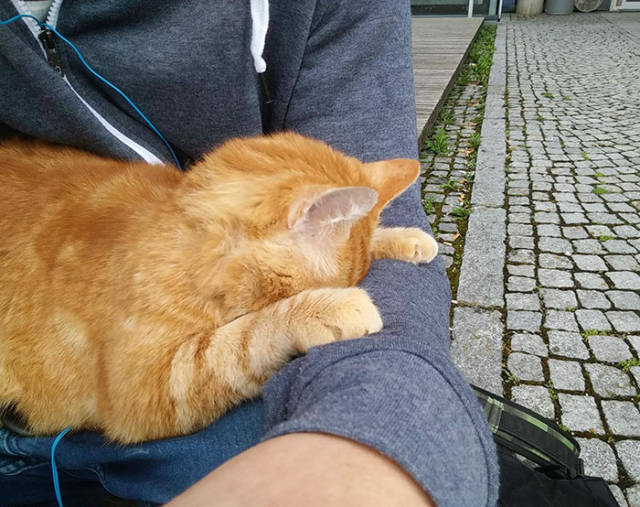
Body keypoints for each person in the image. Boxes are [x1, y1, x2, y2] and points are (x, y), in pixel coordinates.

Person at [0, 1, 499, 505]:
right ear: (296, 220)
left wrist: (372, 242)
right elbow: (138, 406)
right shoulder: (164, 270)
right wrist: (275, 328)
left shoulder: (241, 221)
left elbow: (306, 212)